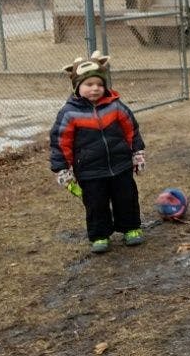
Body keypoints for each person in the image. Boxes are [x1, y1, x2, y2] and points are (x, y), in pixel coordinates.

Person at [49, 51, 146, 254]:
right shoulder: (69, 113)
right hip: (89, 171)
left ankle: (131, 228)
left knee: (126, 198)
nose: (95, 88)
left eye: (99, 84)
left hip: (120, 165)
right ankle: (100, 235)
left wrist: (137, 152)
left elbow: (131, 129)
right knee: (95, 204)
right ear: (77, 86)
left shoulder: (115, 106)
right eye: (89, 84)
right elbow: (60, 142)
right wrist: (62, 169)